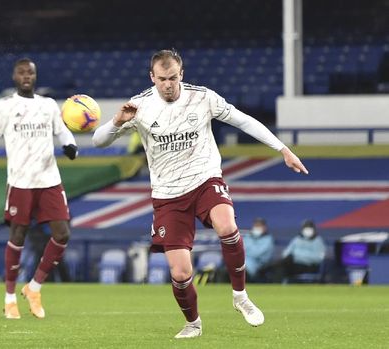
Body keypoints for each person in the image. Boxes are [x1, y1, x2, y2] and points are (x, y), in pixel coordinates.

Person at [92, 49, 309, 339]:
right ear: (152, 78)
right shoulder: (139, 107)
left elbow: (243, 120)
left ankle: (240, 296)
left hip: (205, 180)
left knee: (227, 225)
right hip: (168, 195)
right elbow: (98, 141)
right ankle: (193, 323)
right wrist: (117, 122)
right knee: (180, 274)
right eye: (161, 79)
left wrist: (282, 149)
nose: (168, 84)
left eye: (172, 78)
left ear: (181, 74)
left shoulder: (203, 97)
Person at [0, 58, 78, 320]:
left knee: (62, 233)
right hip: (20, 181)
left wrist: (70, 145)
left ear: (35, 76)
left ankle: (34, 287)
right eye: (21, 72)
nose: (26, 76)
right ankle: (10, 298)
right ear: (14, 76)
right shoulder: (5, 106)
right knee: (18, 236)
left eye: (30, 72)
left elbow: (62, 131)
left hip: (49, 179)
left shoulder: (47, 105)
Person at [243, 217, 275, 282]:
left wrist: (246, 252)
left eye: (259, 226)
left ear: (265, 227)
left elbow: (257, 253)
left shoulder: (268, 239)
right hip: (242, 262)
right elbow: (241, 249)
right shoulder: (247, 237)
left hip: (259, 264)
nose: (257, 228)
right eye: (256, 226)